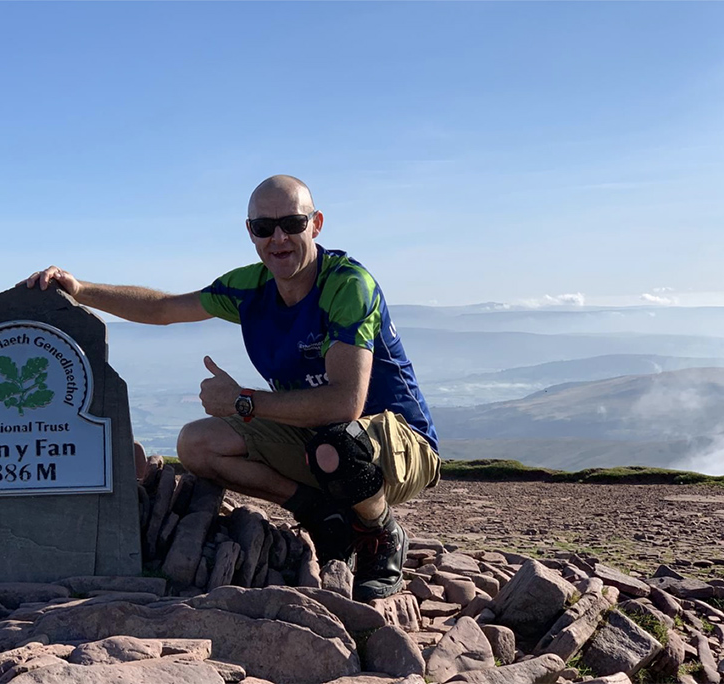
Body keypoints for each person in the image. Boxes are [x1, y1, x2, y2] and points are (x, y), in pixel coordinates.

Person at [26, 175, 440, 602]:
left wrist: (244, 402)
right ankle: (324, 516)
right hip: (319, 442)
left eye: (292, 223)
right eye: (264, 228)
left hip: (398, 442)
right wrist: (81, 290)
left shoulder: (347, 285)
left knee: (339, 444)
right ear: (250, 233)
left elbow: (344, 403)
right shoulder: (250, 289)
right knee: (197, 444)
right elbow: (165, 308)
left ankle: (380, 531)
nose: (278, 238)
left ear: (316, 224)